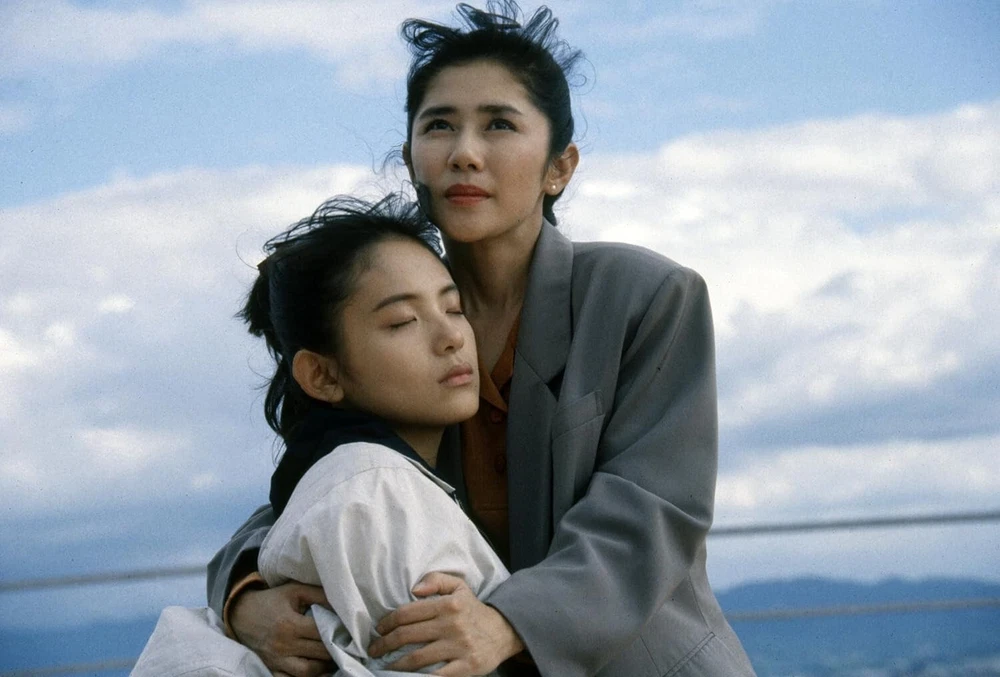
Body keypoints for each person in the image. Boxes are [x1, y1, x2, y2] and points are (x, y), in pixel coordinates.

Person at [208, 2, 757, 676]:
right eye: (439, 125)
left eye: (499, 124)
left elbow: (653, 510)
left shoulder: (645, 295)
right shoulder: (392, 324)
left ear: (560, 167)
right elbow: (321, 476)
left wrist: (508, 620)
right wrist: (244, 596)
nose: (464, 153)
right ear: (411, 159)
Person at [132, 196, 510, 677]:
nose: (451, 336)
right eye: (402, 321)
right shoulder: (373, 491)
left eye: (454, 308)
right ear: (323, 375)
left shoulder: (354, 478)